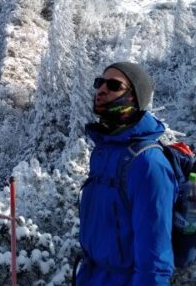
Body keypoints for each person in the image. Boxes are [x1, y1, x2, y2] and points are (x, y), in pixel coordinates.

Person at [76, 62, 177, 285]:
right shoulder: (105, 151)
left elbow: (155, 261)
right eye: (99, 82)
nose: (101, 89)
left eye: (113, 85)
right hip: (93, 276)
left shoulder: (148, 163)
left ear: (134, 97)